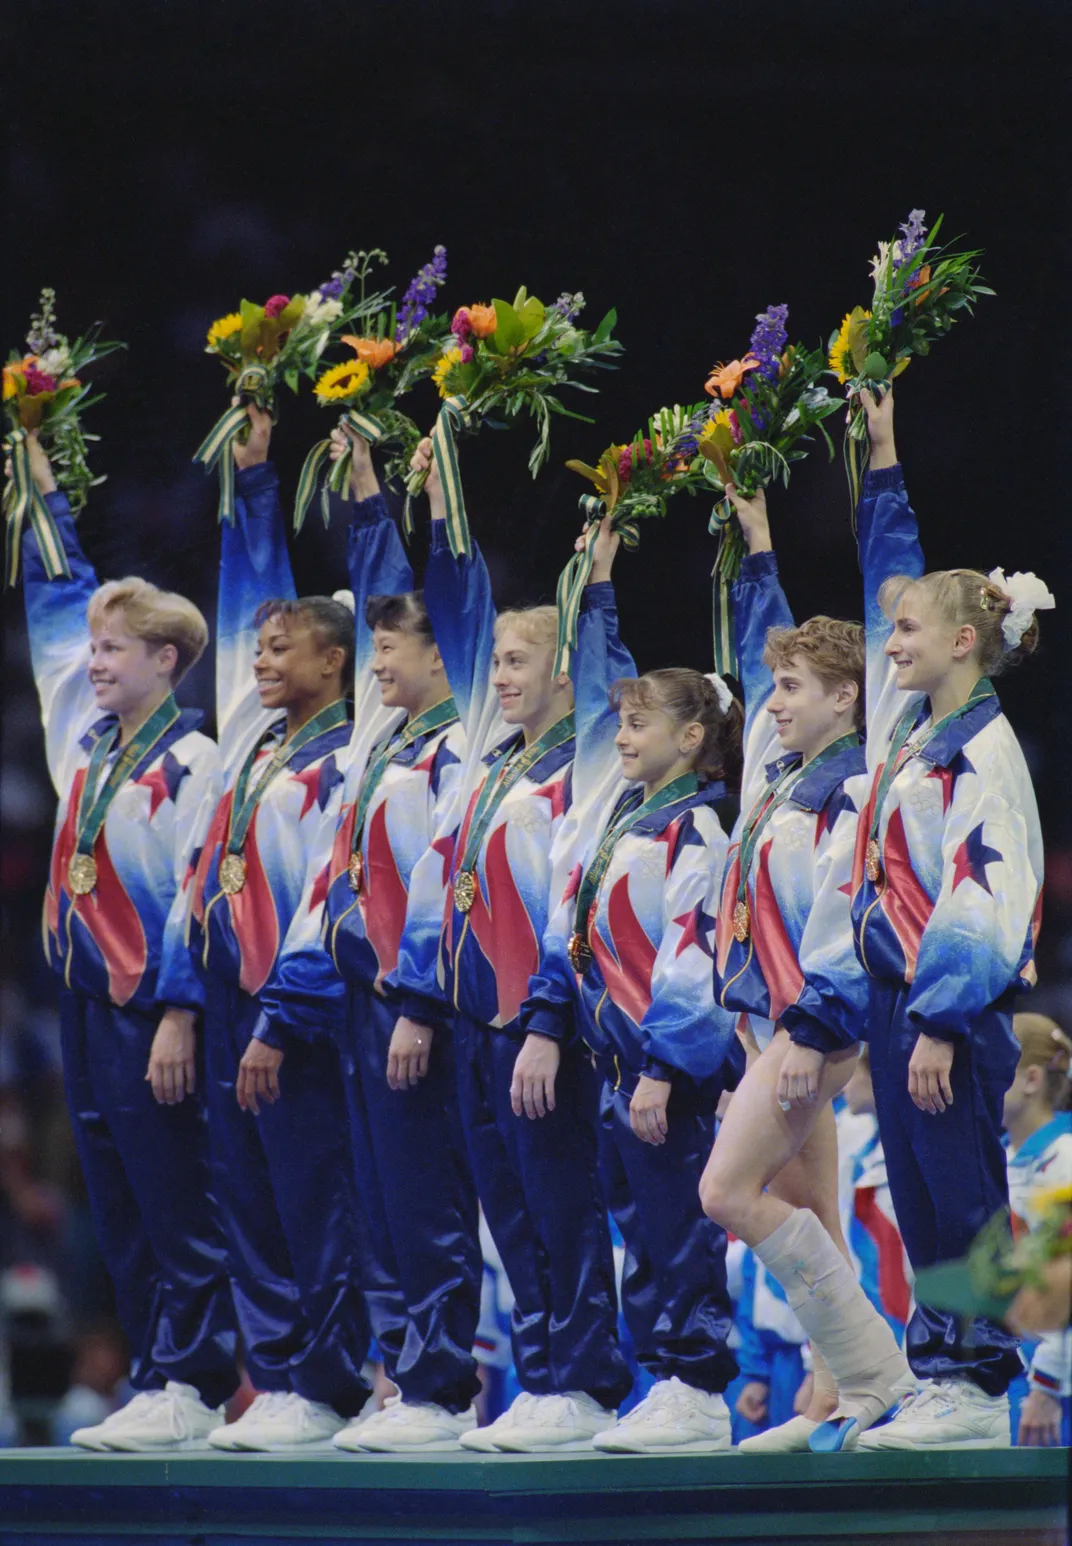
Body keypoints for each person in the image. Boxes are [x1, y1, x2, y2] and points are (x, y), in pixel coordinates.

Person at [259, 426, 483, 1453]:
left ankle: (443, 1384)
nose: (374, 662)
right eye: (374, 650)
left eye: (389, 649)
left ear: (444, 655)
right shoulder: (375, 744)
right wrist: (361, 488)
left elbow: (441, 882)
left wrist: (419, 1001)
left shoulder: (454, 751)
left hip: (409, 997)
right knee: (376, 1200)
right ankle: (402, 1378)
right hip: (352, 996)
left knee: (426, 1197)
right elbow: (329, 881)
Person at [408, 438, 631, 1453]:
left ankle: (583, 1380)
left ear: (563, 675)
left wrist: (544, 1021)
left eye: (516, 662)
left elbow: (567, 910)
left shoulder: (574, 776)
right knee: (506, 1206)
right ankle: (542, 1376)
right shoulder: (485, 763)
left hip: (540, 1020)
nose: (495, 677)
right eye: (491, 659)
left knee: (560, 1199)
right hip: (473, 1019)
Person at [18, 432, 238, 1451]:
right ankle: (156, 1373)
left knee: (172, 1190)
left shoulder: (192, 762)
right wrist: (39, 476)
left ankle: (195, 1375)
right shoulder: (87, 746)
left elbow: (200, 899)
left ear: (167, 661)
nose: (92, 664)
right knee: (116, 1198)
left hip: (155, 1002)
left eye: (114, 652)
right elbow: (52, 611)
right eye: (96, 651)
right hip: (84, 999)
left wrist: (183, 1013)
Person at [843, 388, 1050, 1450]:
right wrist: (879, 452)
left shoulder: (980, 752)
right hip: (898, 999)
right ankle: (939, 1368)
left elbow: (986, 895)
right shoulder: (914, 740)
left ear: (963, 638)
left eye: (907, 630)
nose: (888, 644)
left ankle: (976, 1382)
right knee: (920, 1195)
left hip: (946, 1009)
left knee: (962, 1186)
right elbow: (889, 578)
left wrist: (934, 1015)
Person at [520, 516, 743, 1454]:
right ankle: (667, 1381)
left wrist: (661, 1068)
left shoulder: (695, 830)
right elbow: (571, 932)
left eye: (639, 721)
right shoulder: (619, 818)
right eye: (617, 719)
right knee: (639, 1227)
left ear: (693, 737)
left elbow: (693, 965)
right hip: (615, 1067)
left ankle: (697, 1385)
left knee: (678, 1226)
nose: (620, 733)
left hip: (667, 1073)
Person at [699, 483, 909, 1453]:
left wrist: (812, 1033)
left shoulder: (848, 786)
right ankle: (832, 1390)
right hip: (769, 1024)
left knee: (726, 1194)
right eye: (771, 687)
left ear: (844, 698)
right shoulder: (776, 776)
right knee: (814, 1209)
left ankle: (873, 1365)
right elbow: (757, 639)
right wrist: (757, 542)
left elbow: (844, 919)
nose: (770, 701)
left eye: (790, 689)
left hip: (808, 1023)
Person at [188, 406, 371, 1451]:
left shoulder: (342, 762)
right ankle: (278, 1372)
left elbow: (321, 902)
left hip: (296, 1010)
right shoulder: (258, 749)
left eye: (281, 646)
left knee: (314, 1193)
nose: (258, 658)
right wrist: (252, 483)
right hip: (227, 994)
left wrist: (281, 1017)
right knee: (247, 1192)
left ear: (335, 662)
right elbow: (253, 586)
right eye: (256, 646)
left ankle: (328, 1376)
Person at [1004, 1012, 1072, 1446]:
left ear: (1031, 1079)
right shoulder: (1002, 1159)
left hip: (1052, 1380)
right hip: (1012, 1367)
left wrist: (1050, 1382)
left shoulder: (1063, 1157)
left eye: (992, 1066)